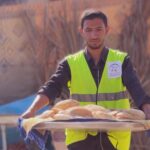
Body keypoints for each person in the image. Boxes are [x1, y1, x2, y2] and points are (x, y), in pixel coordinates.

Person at [21, 9, 150, 150]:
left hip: (114, 138)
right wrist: (32, 110)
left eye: (99, 29)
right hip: (80, 137)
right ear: (81, 31)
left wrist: (147, 108)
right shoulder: (70, 63)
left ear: (107, 30)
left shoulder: (121, 61)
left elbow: (136, 89)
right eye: (88, 30)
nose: (94, 35)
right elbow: (52, 87)